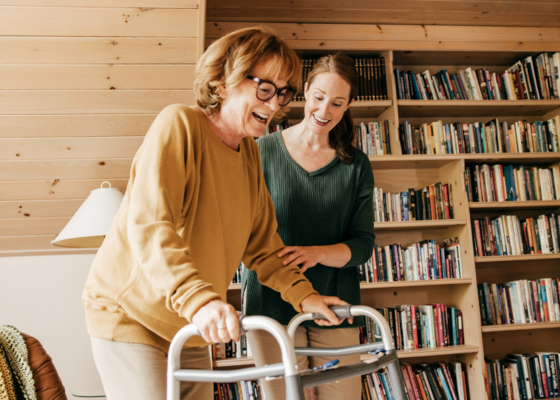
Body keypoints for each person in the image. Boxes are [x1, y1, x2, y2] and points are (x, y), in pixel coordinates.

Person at [82, 28, 350, 400]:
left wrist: (305, 296)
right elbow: (151, 225)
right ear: (223, 81)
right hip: (132, 314)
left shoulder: (250, 153)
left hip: (189, 321)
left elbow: (263, 245)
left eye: (283, 91)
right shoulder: (180, 125)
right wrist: (201, 301)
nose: (274, 105)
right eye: (264, 88)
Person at [243, 53, 375, 400]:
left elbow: (362, 245)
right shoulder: (260, 151)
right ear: (305, 91)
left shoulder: (356, 165)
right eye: (318, 97)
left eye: (337, 102)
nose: (324, 110)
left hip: (336, 303)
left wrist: (316, 254)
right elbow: (245, 231)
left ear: (348, 106)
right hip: (270, 302)